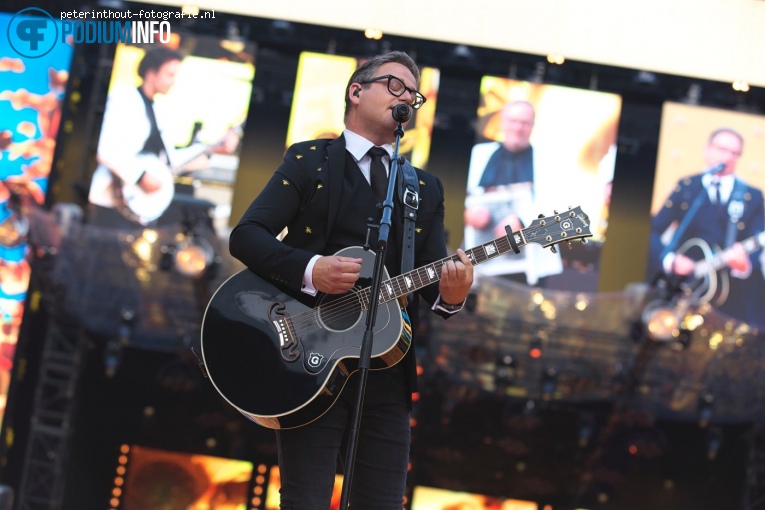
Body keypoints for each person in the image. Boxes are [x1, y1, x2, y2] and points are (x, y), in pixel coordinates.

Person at [228, 51, 474, 509]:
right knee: (306, 499)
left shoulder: (424, 188)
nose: (406, 98)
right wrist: (311, 270)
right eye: (394, 85)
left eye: (413, 94)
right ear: (356, 92)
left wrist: (452, 296)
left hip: (386, 371)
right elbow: (246, 237)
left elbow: (430, 280)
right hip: (308, 361)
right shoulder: (309, 160)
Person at [87, 46, 238, 228]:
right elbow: (107, 150)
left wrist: (214, 149)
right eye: (169, 75)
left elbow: (169, 161)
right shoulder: (125, 99)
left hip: (137, 214)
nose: (173, 81)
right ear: (151, 74)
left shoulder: (158, 110)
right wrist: (140, 177)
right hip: (109, 207)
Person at [648, 127, 765, 327]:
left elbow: (758, 239)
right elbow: (653, 231)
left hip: (730, 292)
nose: (728, 157)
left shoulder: (751, 196)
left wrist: (745, 264)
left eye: (735, 153)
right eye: (722, 150)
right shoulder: (687, 187)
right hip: (685, 285)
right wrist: (671, 260)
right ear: (707, 149)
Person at [463, 100, 562, 285]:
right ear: (502, 122)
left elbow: (559, 208)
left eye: (525, 122)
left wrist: (522, 221)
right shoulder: (479, 154)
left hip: (531, 263)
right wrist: (468, 213)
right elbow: (460, 197)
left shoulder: (549, 160)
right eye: (513, 120)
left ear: (532, 126)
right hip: (483, 257)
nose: (518, 127)